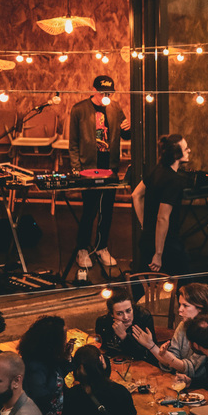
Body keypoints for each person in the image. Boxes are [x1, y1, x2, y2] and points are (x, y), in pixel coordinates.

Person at [69, 73, 130, 270]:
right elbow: (73, 143)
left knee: (107, 210)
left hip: (110, 166)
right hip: (89, 167)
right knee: (89, 210)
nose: (106, 96)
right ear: (94, 90)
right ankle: (82, 249)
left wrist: (128, 127)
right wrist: (76, 169)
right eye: (103, 92)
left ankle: (101, 247)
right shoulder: (79, 109)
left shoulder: (115, 107)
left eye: (109, 93)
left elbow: (126, 134)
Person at [132, 134, 191, 275]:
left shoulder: (157, 170)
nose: (189, 150)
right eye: (185, 149)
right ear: (176, 155)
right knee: (184, 279)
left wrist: (145, 225)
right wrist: (158, 254)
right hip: (166, 244)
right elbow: (162, 218)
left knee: (143, 282)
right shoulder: (174, 181)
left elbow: (136, 195)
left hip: (147, 240)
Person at [154, 283, 208, 384]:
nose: (180, 310)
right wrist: (166, 355)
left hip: (207, 386)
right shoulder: (183, 325)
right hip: (183, 381)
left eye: (185, 306)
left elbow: (194, 369)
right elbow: (174, 354)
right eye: (180, 304)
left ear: (200, 308)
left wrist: (168, 358)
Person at [17, 315, 70, 415]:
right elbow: (40, 397)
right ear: (53, 342)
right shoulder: (34, 367)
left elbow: (58, 376)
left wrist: (66, 357)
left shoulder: (48, 358)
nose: (66, 341)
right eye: (64, 337)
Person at [94, 287, 158, 366]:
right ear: (112, 314)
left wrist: (124, 336)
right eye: (119, 313)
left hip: (141, 365)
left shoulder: (143, 317)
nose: (126, 317)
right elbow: (102, 349)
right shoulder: (103, 322)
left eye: (128, 311)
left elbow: (148, 355)